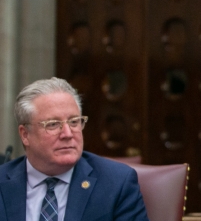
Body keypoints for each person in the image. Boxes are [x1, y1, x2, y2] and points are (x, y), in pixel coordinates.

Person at [0, 77, 148, 220]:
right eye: (52, 124)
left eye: (74, 122)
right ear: (25, 135)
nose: (68, 134)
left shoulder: (117, 183)